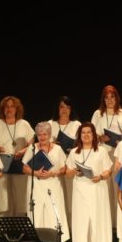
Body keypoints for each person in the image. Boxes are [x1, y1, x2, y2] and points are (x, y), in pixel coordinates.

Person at [65, 122, 112, 242]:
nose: (86, 135)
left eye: (89, 132)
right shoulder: (74, 152)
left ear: (94, 135)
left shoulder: (101, 151)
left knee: (97, 218)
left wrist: (101, 176)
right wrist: (74, 171)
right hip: (80, 190)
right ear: (79, 135)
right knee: (81, 219)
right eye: (83, 132)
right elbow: (67, 173)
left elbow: (108, 170)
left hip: (97, 189)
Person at [0, 96, 35, 216]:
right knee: (3, 198)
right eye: (6, 107)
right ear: (2, 109)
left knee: (20, 197)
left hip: (19, 162)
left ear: (17, 109)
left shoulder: (24, 124)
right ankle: (4, 224)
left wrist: (22, 151)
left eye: (12, 106)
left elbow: (32, 145)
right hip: (2, 163)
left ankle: (21, 223)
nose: (9, 109)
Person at [22, 122, 70, 242]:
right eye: (39, 135)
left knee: (53, 212)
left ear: (49, 135)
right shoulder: (32, 148)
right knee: (36, 212)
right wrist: (35, 173)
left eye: (44, 134)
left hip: (53, 185)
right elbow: (24, 168)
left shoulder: (57, 149)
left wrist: (52, 173)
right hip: (36, 185)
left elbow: (64, 168)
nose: (42, 137)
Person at [91, 85, 122, 228]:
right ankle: (106, 223)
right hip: (102, 154)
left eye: (112, 97)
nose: (109, 100)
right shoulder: (98, 114)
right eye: (106, 98)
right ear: (103, 99)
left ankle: (119, 223)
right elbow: (91, 133)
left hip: (118, 154)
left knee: (118, 187)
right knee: (104, 189)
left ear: (116, 98)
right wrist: (100, 137)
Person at [48, 96, 81, 226]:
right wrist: (52, 144)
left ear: (71, 109)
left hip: (70, 163)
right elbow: (42, 142)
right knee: (58, 195)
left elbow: (82, 145)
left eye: (67, 107)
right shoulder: (50, 124)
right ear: (57, 108)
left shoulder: (76, 125)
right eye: (62, 107)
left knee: (71, 196)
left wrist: (73, 148)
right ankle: (58, 224)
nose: (64, 110)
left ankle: (72, 226)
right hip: (54, 164)